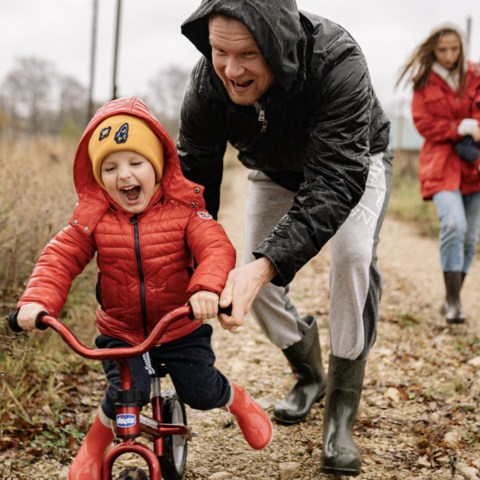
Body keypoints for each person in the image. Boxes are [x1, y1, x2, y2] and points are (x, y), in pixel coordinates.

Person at [177, 0, 393, 476]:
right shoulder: (206, 84)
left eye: (248, 54)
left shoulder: (337, 60)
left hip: (353, 163)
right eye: (219, 52)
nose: (231, 70)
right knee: (256, 277)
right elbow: (194, 185)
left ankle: (341, 412)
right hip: (272, 171)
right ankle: (309, 374)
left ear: (276, 45)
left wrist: (264, 265)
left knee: (352, 257)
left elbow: (336, 181)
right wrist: (193, 265)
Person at [14, 96, 273, 480]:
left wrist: (205, 289)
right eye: (111, 167)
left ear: (157, 166)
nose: (125, 176)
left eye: (136, 163)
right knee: (124, 394)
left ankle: (237, 400)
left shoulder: (184, 211)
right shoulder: (94, 218)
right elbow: (60, 258)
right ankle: (94, 447)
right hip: (121, 331)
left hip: (179, 326)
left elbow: (216, 248)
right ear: (99, 177)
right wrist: (36, 301)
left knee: (200, 390)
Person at [397, 25, 480, 324]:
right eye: (442, 50)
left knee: (470, 238)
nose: (448, 56)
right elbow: (423, 123)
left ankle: (450, 298)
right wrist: (457, 128)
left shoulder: (475, 75)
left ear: (461, 48)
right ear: (433, 48)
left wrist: (476, 126)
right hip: (441, 163)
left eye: (454, 49)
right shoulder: (424, 81)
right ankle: (454, 301)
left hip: (474, 165)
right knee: (454, 224)